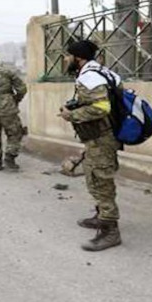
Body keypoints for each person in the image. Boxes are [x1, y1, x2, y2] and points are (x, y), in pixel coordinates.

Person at [59, 40, 123, 252]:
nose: (65, 59)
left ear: (78, 58)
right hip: (102, 136)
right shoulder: (102, 72)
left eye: (68, 56)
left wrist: (71, 115)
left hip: (101, 138)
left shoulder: (89, 77)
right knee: (94, 177)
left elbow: (102, 107)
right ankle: (100, 216)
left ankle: (110, 232)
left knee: (101, 181)